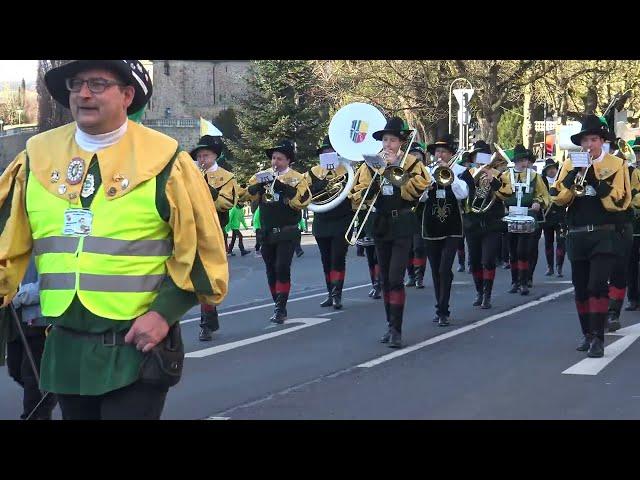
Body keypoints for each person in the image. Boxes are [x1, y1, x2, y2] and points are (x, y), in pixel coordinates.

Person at [0, 60, 228, 420]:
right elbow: (3, 248)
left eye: (97, 84)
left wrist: (163, 313)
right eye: (76, 84)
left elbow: (200, 253)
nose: (84, 94)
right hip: (65, 348)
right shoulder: (35, 158)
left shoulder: (166, 161)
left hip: (136, 346)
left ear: (127, 95)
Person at [552, 115, 631, 358]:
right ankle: (587, 334)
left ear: (602, 141)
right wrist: (571, 175)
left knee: (597, 284)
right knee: (581, 288)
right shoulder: (569, 164)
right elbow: (558, 197)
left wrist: (595, 180)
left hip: (603, 234)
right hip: (577, 234)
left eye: (594, 139)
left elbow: (618, 202)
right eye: (585, 140)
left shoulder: (616, 165)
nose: (589, 145)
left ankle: (598, 337)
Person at [350, 117, 429, 347]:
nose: (388, 144)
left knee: (395, 278)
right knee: (384, 278)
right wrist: (376, 177)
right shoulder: (370, 164)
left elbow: (418, 191)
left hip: (402, 223)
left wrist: (395, 169)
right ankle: (389, 324)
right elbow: (358, 195)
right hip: (381, 224)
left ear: (400, 143)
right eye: (385, 139)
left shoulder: (413, 163)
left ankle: (397, 329)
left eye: (392, 140)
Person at [246, 140, 311, 324]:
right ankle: (277, 304)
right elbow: (246, 195)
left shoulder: (298, 178)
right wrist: (256, 187)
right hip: (267, 232)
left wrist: (283, 188)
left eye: (280, 159)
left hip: (287, 231)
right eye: (273, 158)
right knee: (270, 270)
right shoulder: (261, 176)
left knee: (282, 267)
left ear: (288, 160)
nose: (275, 162)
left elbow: (302, 201)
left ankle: (280, 308)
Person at [420, 134, 473, 326]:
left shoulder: (460, 171)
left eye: (444, 151)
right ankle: (439, 306)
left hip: (452, 225)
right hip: (431, 224)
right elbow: (421, 199)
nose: (440, 155)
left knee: (444, 268)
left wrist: (449, 176)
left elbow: (463, 194)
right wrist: (428, 185)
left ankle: (443, 309)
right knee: (435, 269)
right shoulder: (426, 171)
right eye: (437, 152)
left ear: (451, 154)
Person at [191, 134, 238, 341]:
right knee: (199, 278)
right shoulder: (191, 175)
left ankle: (207, 321)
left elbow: (228, 203)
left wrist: (209, 191)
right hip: (192, 230)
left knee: (210, 277)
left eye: (206, 155)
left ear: (215, 156)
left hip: (214, 229)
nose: (202, 159)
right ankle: (208, 320)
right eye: (199, 156)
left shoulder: (227, 177)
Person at [6, 256, 58, 420]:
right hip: (17, 318)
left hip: (41, 320)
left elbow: (55, 280)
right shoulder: (15, 240)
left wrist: (18, 295)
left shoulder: (45, 239)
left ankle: (37, 414)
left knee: (33, 378)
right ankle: (51, 393)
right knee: (15, 370)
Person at [304, 135, 352, 309]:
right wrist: (315, 188)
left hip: (342, 220)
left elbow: (353, 194)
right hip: (322, 220)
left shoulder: (347, 171)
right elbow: (303, 194)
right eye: (324, 152)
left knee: (338, 257)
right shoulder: (312, 172)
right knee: (326, 259)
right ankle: (330, 294)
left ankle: (337, 294)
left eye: (330, 151)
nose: (327, 154)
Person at [497, 145, 549, 295]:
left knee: (523, 251)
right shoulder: (505, 176)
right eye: (520, 160)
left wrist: (538, 202)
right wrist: (503, 206)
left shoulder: (534, 176)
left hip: (528, 216)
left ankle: (524, 282)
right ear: (515, 161)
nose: (523, 163)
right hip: (511, 217)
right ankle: (515, 282)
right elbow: (499, 195)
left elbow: (543, 194)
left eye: (525, 160)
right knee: (512, 251)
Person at [463, 140, 505, 309]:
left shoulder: (499, 174)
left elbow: (506, 194)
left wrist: (493, 181)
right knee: (474, 261)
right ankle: (479, 292)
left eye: (483, 156)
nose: (479, 160)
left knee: (488, 259)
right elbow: (462, 194)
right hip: (472, 223)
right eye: (476, 156)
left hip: (491, 223)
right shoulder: (466, 174)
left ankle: (487, 294)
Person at [404, 142, 428, 289]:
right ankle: (411, 275)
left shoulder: (426, 171)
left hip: (420, 215)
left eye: (418, 156)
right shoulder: (403, 170)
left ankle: (419, 277)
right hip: (407, 213)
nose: (415, 158)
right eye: (412, 155)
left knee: (419, 247)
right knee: (408, 248)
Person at [541, 158, 566, 277]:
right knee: (548, 242)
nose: (551, 171)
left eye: (553, 169)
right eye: (549, 169)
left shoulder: (561, 181)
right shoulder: (542, 181)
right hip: (547, 215)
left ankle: (559, 267)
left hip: (560, 215)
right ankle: (550, 267)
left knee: (561, 241)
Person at [625, 138, 640, 311]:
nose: (637, 157)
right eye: (635, 153)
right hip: (632, 222)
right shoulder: (628, 171)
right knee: (630, 262)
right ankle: (632, 298)